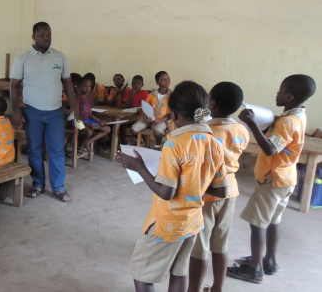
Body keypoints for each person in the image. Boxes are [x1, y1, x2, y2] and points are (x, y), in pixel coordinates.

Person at [117, 80, 228, 292]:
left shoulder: (174, 144)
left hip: (167, 223)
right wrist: (193, 188)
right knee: (179, 272)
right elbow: (222, 190)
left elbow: (166, 192)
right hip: (193, 221)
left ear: (174, 115)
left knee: (141, 274)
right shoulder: (215, 142)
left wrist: (139, 167)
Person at [227, 74, 316, 284]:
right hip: (286, 178)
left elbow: (270, 149)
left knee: (257, 224)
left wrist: (251, 123)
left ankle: (255, 270)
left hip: (272, 179)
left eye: (280, 90)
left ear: (290, 97)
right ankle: (269, 261)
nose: (277, 93)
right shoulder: (298, 116)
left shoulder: (287, 122)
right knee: (273, 220)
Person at [187, 82, 249, 292]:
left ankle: (193, 289)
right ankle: (217, 288)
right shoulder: (241, 128)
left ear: (211, 103)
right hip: (230, 190)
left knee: (200, 246)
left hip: (208, 191)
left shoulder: (206, 131)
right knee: (220, 243)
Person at [10, 22, 76, 202]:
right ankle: (38, 183)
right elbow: (14, 86)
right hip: (32, 112)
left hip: (55, 112)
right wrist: (16, 110)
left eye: (49, 34)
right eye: (42, 35)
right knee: (34, 150)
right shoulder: (22, 59)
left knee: (57, 151)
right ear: (33, 37)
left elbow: (68, 83)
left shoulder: (59, 57)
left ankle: (58, 187)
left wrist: (74, 106)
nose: (46, 38)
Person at [131, 71, 172, 149]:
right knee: (133, 130)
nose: (167, 81)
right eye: (163, 79)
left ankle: (157, 145)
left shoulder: (172, 96)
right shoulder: (151, 95)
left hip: (162, 120)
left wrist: (160, 121)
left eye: (168, 79)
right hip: (149, 119)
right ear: (157, 82)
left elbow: (172, 113)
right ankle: (141, 143)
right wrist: (146, 117)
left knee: (158, 132)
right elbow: (146, 107)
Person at [75, 76, 110, 155]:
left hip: (87, 120)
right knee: (89, 132)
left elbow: (90, 114)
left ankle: (87, 143)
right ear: (79, 87)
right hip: (78, 121)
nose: (88, 89)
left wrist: (100, 121)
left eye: (89, 86)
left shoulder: (89, 99)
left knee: (107, 129)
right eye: (85, 86)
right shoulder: (78, 99)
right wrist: (88, 125)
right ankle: (80, 147)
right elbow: (76, 116)